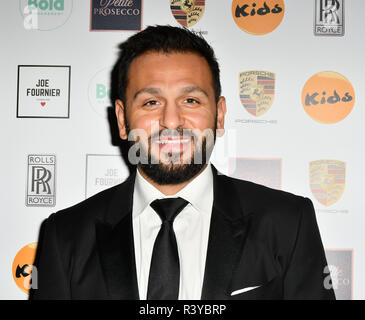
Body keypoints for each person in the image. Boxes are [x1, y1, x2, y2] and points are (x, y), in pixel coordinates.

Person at [30, 25, 335, 300]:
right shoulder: (65, 235)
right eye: (151, 102)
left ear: (219, 114)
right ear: (122, 119)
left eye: (190, 100)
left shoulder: (287, 223)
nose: (171, 121)